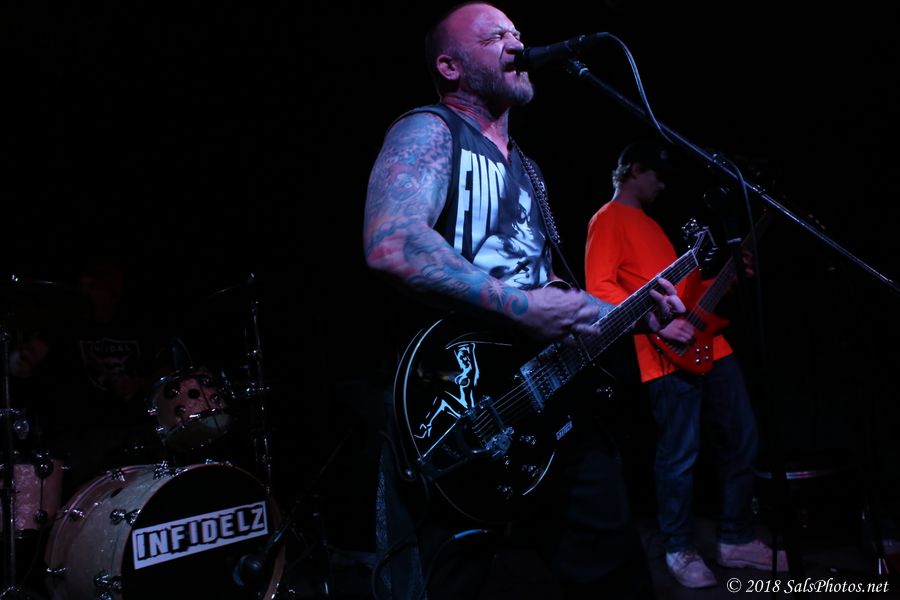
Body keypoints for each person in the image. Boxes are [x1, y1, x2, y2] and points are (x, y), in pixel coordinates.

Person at [363, 4, 686, 598]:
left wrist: (631, 314)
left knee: (616, 573)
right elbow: (392, 243)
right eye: (495, 37)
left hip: (549, 404)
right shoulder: (430, 130)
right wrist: (521, 307)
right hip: (454, 406)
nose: (517, 44)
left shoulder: (529, 170)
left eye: (517, 33)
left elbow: (550, 293)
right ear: (450, 66)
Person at [584, 140, 789, 589]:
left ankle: (736, 538)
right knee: (680, 453)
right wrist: (657, 327)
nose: (663, 185)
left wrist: (727, 278)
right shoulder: (608, 218)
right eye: (657, 175)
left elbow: (685, 292)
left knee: (742, 436)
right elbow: (599, 292)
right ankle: (678, 547)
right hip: (662, 351)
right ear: (633, 170)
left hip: (707, 339)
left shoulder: (652, 226)